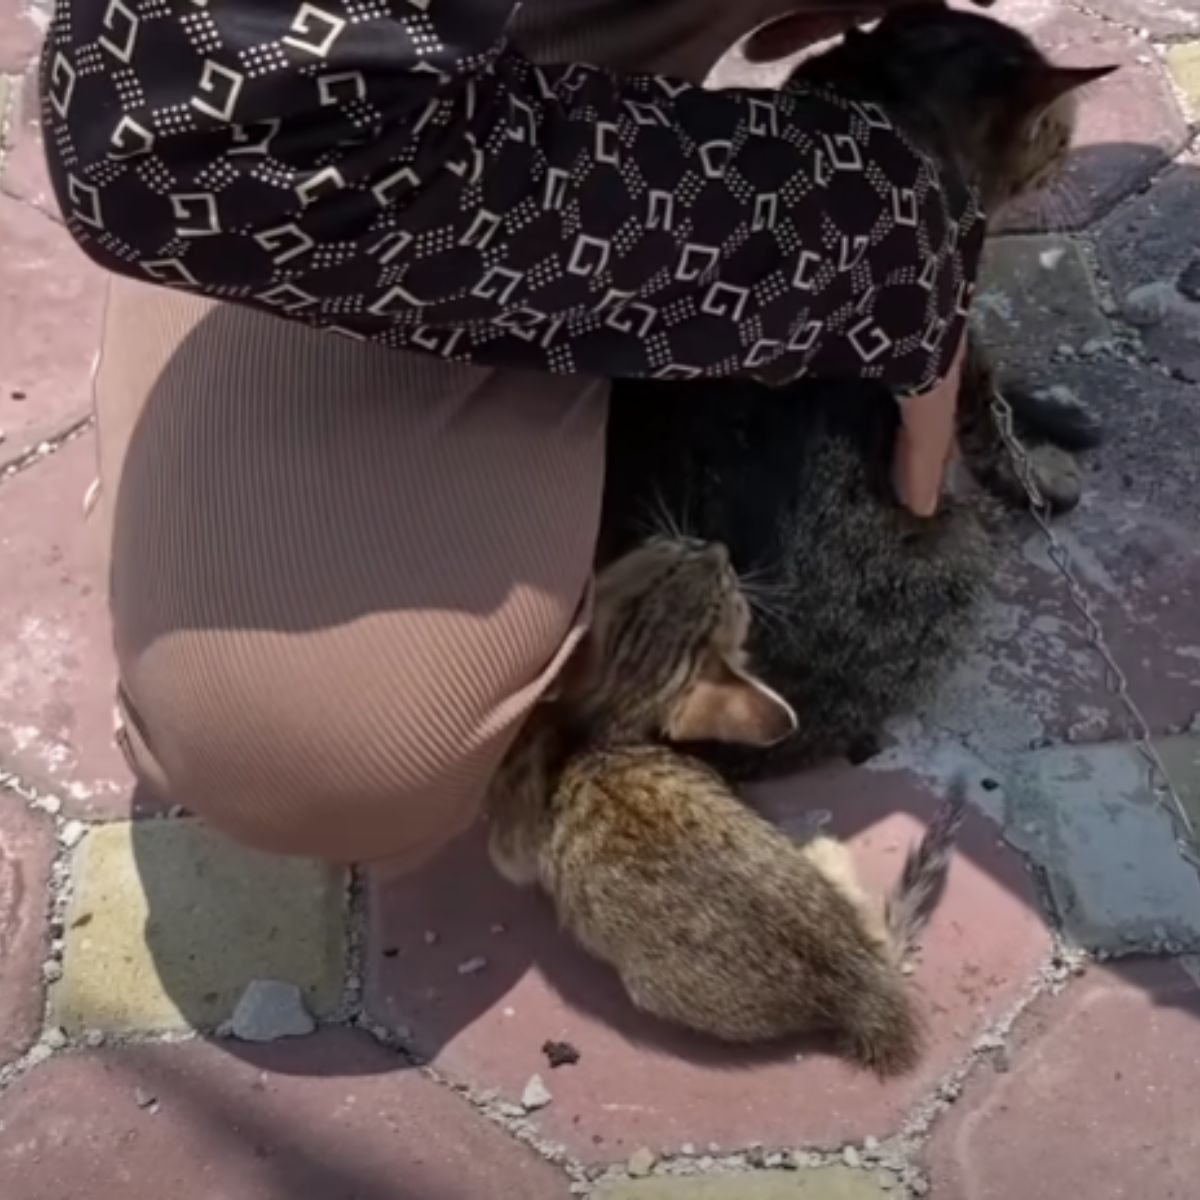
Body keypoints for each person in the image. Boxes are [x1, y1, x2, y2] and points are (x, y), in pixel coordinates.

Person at [42, 0, 977, 870]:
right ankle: (259, 309)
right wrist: (868, 234)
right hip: (281, 127)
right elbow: (188, 136)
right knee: (310, 735)